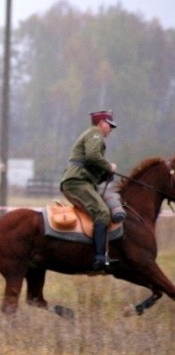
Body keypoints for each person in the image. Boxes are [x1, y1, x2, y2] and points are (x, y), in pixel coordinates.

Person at [60, 110, 118, 272]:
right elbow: (92, 157)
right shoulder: (95, 134)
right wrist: (109, 167)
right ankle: (99, 258)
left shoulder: (93, 135)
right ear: (102, 124)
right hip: (77, 183)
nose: (111, 129)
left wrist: (105, 174)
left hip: (79, 181)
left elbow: (89, 163)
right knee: (103, 213)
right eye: (110, 125)